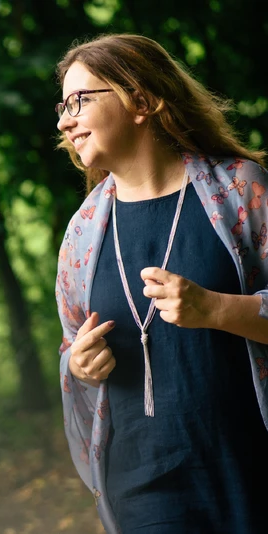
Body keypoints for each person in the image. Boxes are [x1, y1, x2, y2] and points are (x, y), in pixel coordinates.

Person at [54, 34, 268, 533]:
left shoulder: (241, 189)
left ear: (141, 102)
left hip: (252, 474)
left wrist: (215, 309)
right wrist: (80, 366)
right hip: (143, 489)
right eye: (62, 107)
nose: (65, 121)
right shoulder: (82, 233)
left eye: (79, 101)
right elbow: (69, 347)